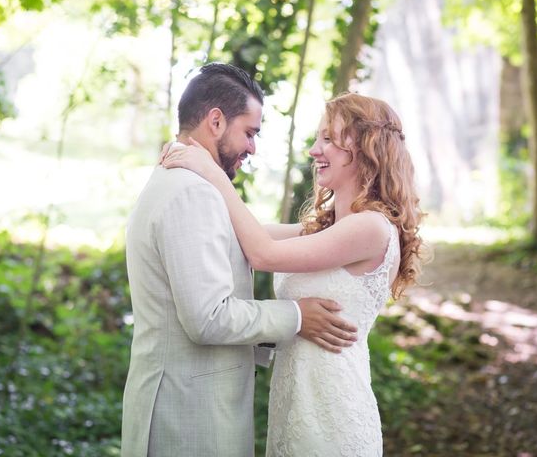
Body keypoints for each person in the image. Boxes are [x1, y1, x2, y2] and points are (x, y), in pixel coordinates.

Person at [162, 92, 425, 456]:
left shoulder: (371, 229)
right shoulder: (329, 229)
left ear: (368, 148)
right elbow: (245, 232)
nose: (315, 150)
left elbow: (262, 253)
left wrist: (210, 172)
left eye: (329, 139)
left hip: (332, 416)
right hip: (294, 407)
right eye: (318, 138)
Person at [120, 63, 358, 457]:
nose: (252, 147)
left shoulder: (184, 183)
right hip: (188, 417)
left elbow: (250, 240)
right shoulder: (190, 193)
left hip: (188, 404)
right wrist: (297, 317)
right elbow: (208, 318)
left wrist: (346, 232)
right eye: (249, 132)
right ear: (215, 121)